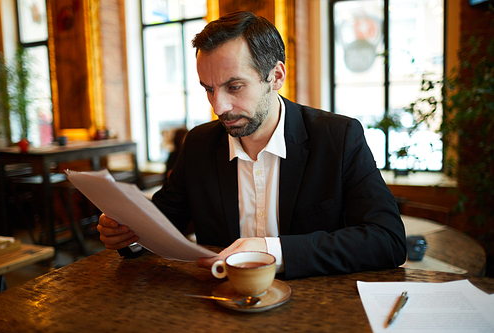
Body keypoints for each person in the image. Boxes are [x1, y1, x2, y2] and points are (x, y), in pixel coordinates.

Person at [98, 11, 406, 280]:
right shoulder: (199, 145)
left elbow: (388, 240)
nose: (219, 107)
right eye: (209, 89)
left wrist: (271, 249)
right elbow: (161, 225)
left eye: (234, 86)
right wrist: (129, 234)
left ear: (276, 76)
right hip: (220, 308)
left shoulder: (338, 137)